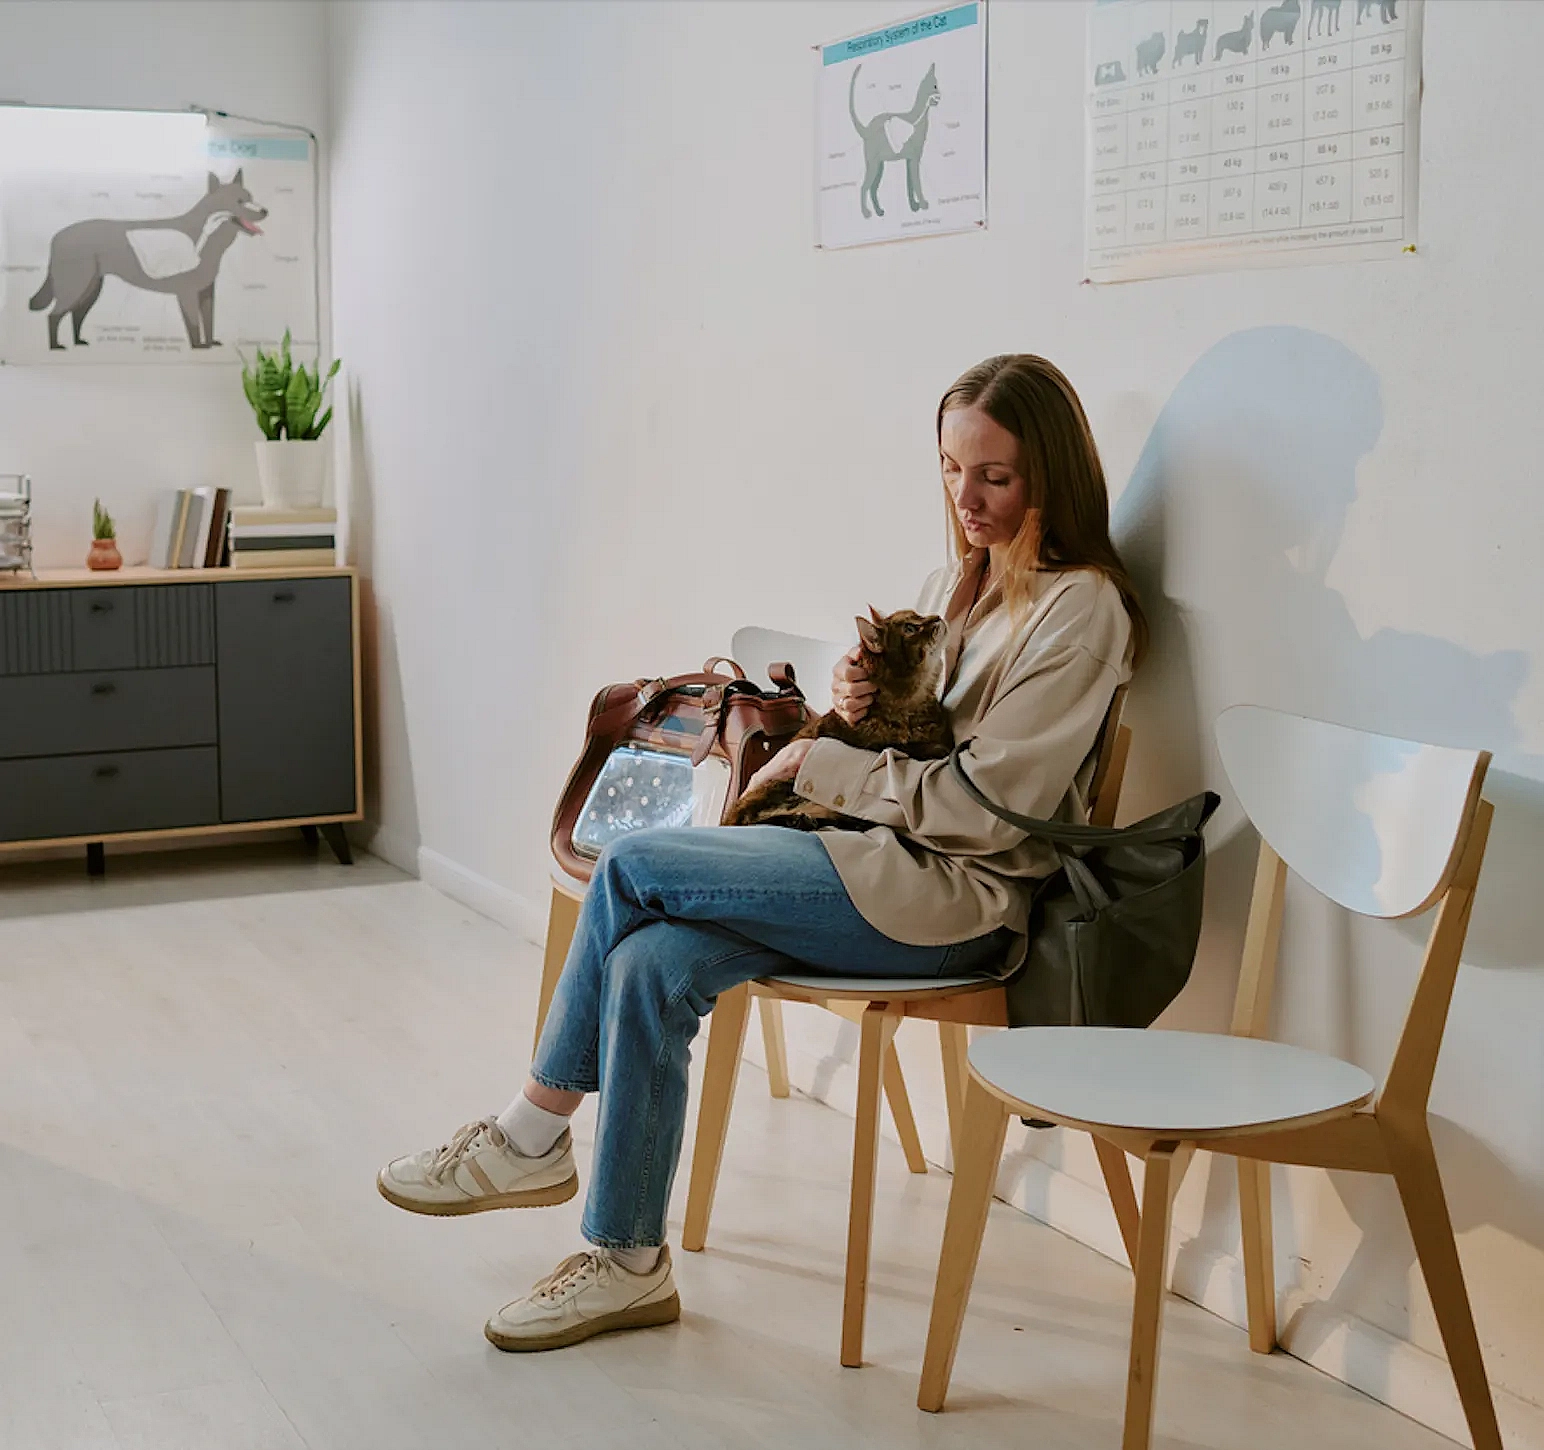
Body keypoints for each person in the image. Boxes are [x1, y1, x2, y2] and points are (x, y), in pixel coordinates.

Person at [377, 354, 1149, 1352]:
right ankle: (626, 1262)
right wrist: (862, 708)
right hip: (868, 866)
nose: (965, 497)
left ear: (1051, 474)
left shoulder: (1079, 610)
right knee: (652, 961)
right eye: (952, 469)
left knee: (634, 866)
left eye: (993, 476)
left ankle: (528, 1133)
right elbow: (915, 748)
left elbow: (990, 817)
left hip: (949, 906)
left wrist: (822, 763)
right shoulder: (959, 583)